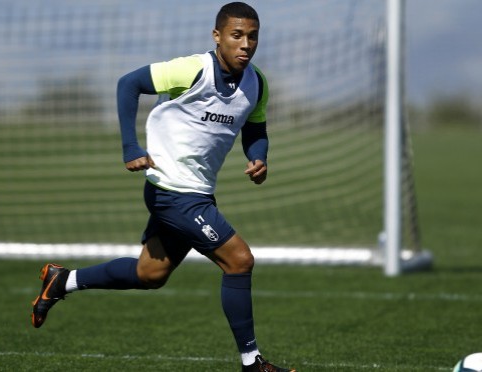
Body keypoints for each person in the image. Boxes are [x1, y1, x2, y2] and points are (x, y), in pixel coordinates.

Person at [30, 3, 295, 371]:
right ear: (217, 36)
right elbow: (129, 84)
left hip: (198, 190)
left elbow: (255, 128)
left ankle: (63, 281)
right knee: (239, 260)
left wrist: (259, 156)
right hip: (171, 191)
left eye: (252, 36)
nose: (245, 44)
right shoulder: (191, 69)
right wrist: (131, 147)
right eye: (236, 35)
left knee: (149, 274)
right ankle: (252, 363)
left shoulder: (257, 83)